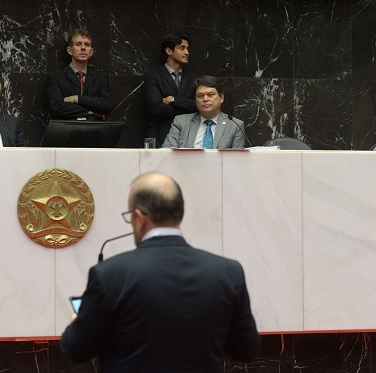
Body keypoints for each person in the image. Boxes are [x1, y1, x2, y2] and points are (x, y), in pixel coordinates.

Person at [60, 172, 260, 373]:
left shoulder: (109, 275)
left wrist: (79, 321)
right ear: (180, 213)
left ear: (140, 217)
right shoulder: (228, 273)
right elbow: (247, 350)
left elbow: (76, 350)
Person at [144, 33, 198, 147]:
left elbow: (197, 105)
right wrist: (185, 106)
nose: (187, 52)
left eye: (187, 48)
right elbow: (156, 109)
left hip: (187, 135)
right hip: (160, 134)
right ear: (169, 51)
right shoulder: (153, 75)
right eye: (182, 48)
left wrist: (173, 100)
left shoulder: (194, 78)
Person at [46, 29, 113, 120]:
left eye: (87, 44)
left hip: (93, 128)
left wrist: (77, 99)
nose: (83, 48)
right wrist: (92, 112)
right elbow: (56, 107)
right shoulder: (55, 77)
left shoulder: (100, 79)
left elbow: (108, 105)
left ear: (91, 52)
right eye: (78, 44)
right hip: (66, 128)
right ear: (70, 50)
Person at [162, 75, 245, 149]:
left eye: (210, 95)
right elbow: (167, 153)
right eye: (200, 96)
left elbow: (237, 158)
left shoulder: (235, 125)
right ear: (195, 100)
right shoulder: (181, 122)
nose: (205, 99)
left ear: (221, 98)